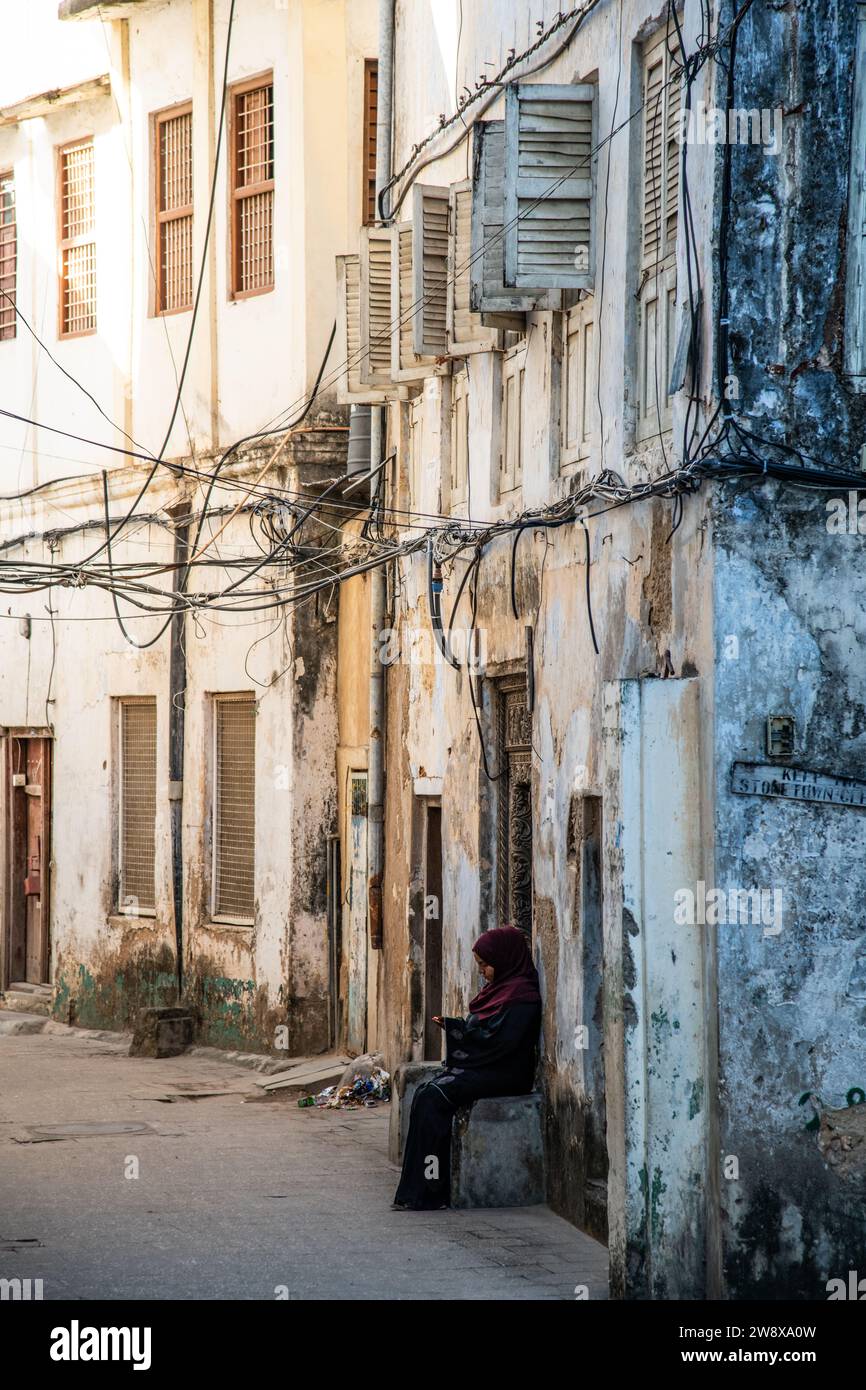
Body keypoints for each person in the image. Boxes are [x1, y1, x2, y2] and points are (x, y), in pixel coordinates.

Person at [392, 924, 542, 1211]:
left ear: (505, 959)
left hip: (505, 1074)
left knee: (434, 1098)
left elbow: (502, 1044)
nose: (483, 972)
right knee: (425, 1093)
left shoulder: (522, 996)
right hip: (486, 1068)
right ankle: (419, 1188)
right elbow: (485, 1033)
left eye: (486, 965)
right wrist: (454, 1026)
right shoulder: (499, 991)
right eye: (481, 965)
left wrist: (459, 1030)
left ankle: (431, 1190)